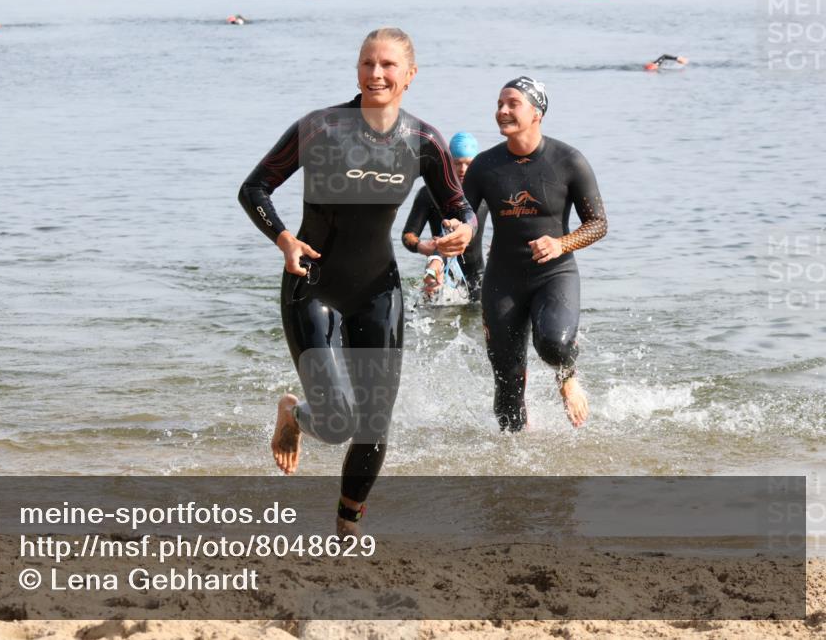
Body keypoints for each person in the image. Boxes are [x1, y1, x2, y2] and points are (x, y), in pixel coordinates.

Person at [238, 28, 476, 533]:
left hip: (376, 290)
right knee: (338, 422)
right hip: (312, 285)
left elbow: (459, 206)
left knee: (373, 425)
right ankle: (294, 413)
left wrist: (464, 232)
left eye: (388, 65)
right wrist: (283, 239)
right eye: (368, 63)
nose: (376, 74)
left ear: (409, 75)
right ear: (357, 70)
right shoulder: (321, 128)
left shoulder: (423, 142)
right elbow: (254, 188)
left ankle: (347, 526)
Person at [464, 76, 607, 432]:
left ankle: (568, 378)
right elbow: (463, 214)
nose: (502, 111)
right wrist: (450, 240)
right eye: (499, 104)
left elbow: (598, 224)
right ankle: (516, 473)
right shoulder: (484, 166)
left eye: (513, 103)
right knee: (507, 390)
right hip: (503, 280)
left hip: (553, 275)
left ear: (537, 112)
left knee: (554, 344)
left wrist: (562, 243)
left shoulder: (568, 161)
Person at [401, 131, 489, 302]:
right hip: (440, 274)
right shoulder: (428, 194)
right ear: (448, 162)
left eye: (468, 164)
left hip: (477, 278)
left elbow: (506, 223)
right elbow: (408, 235)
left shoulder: (484, 194)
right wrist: (420, 246)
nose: (462, 170)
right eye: (457, 163)